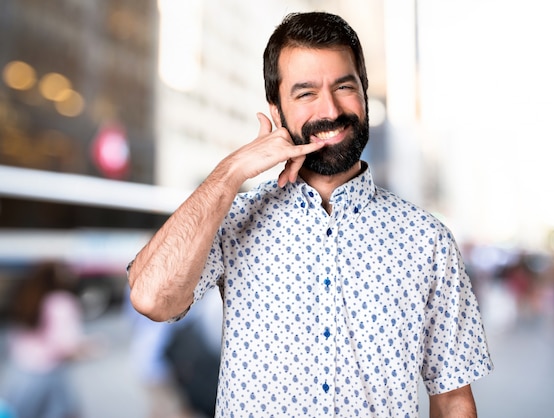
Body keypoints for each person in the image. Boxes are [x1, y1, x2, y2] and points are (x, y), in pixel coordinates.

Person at [128, 11, 493, 417]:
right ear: (277, 111)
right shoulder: (234, 220)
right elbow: (151, 298)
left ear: (365, 93)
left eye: (344, 86)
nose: (331, 108)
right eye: (305, 93)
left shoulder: (428, 240)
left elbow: (454, 399)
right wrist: (231, 171)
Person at [0, 262, 88, 418]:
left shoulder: (26, 295)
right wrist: (89, 349)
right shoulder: (61, 301)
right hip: (48, 375)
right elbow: (66, 346)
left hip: (20, 372)